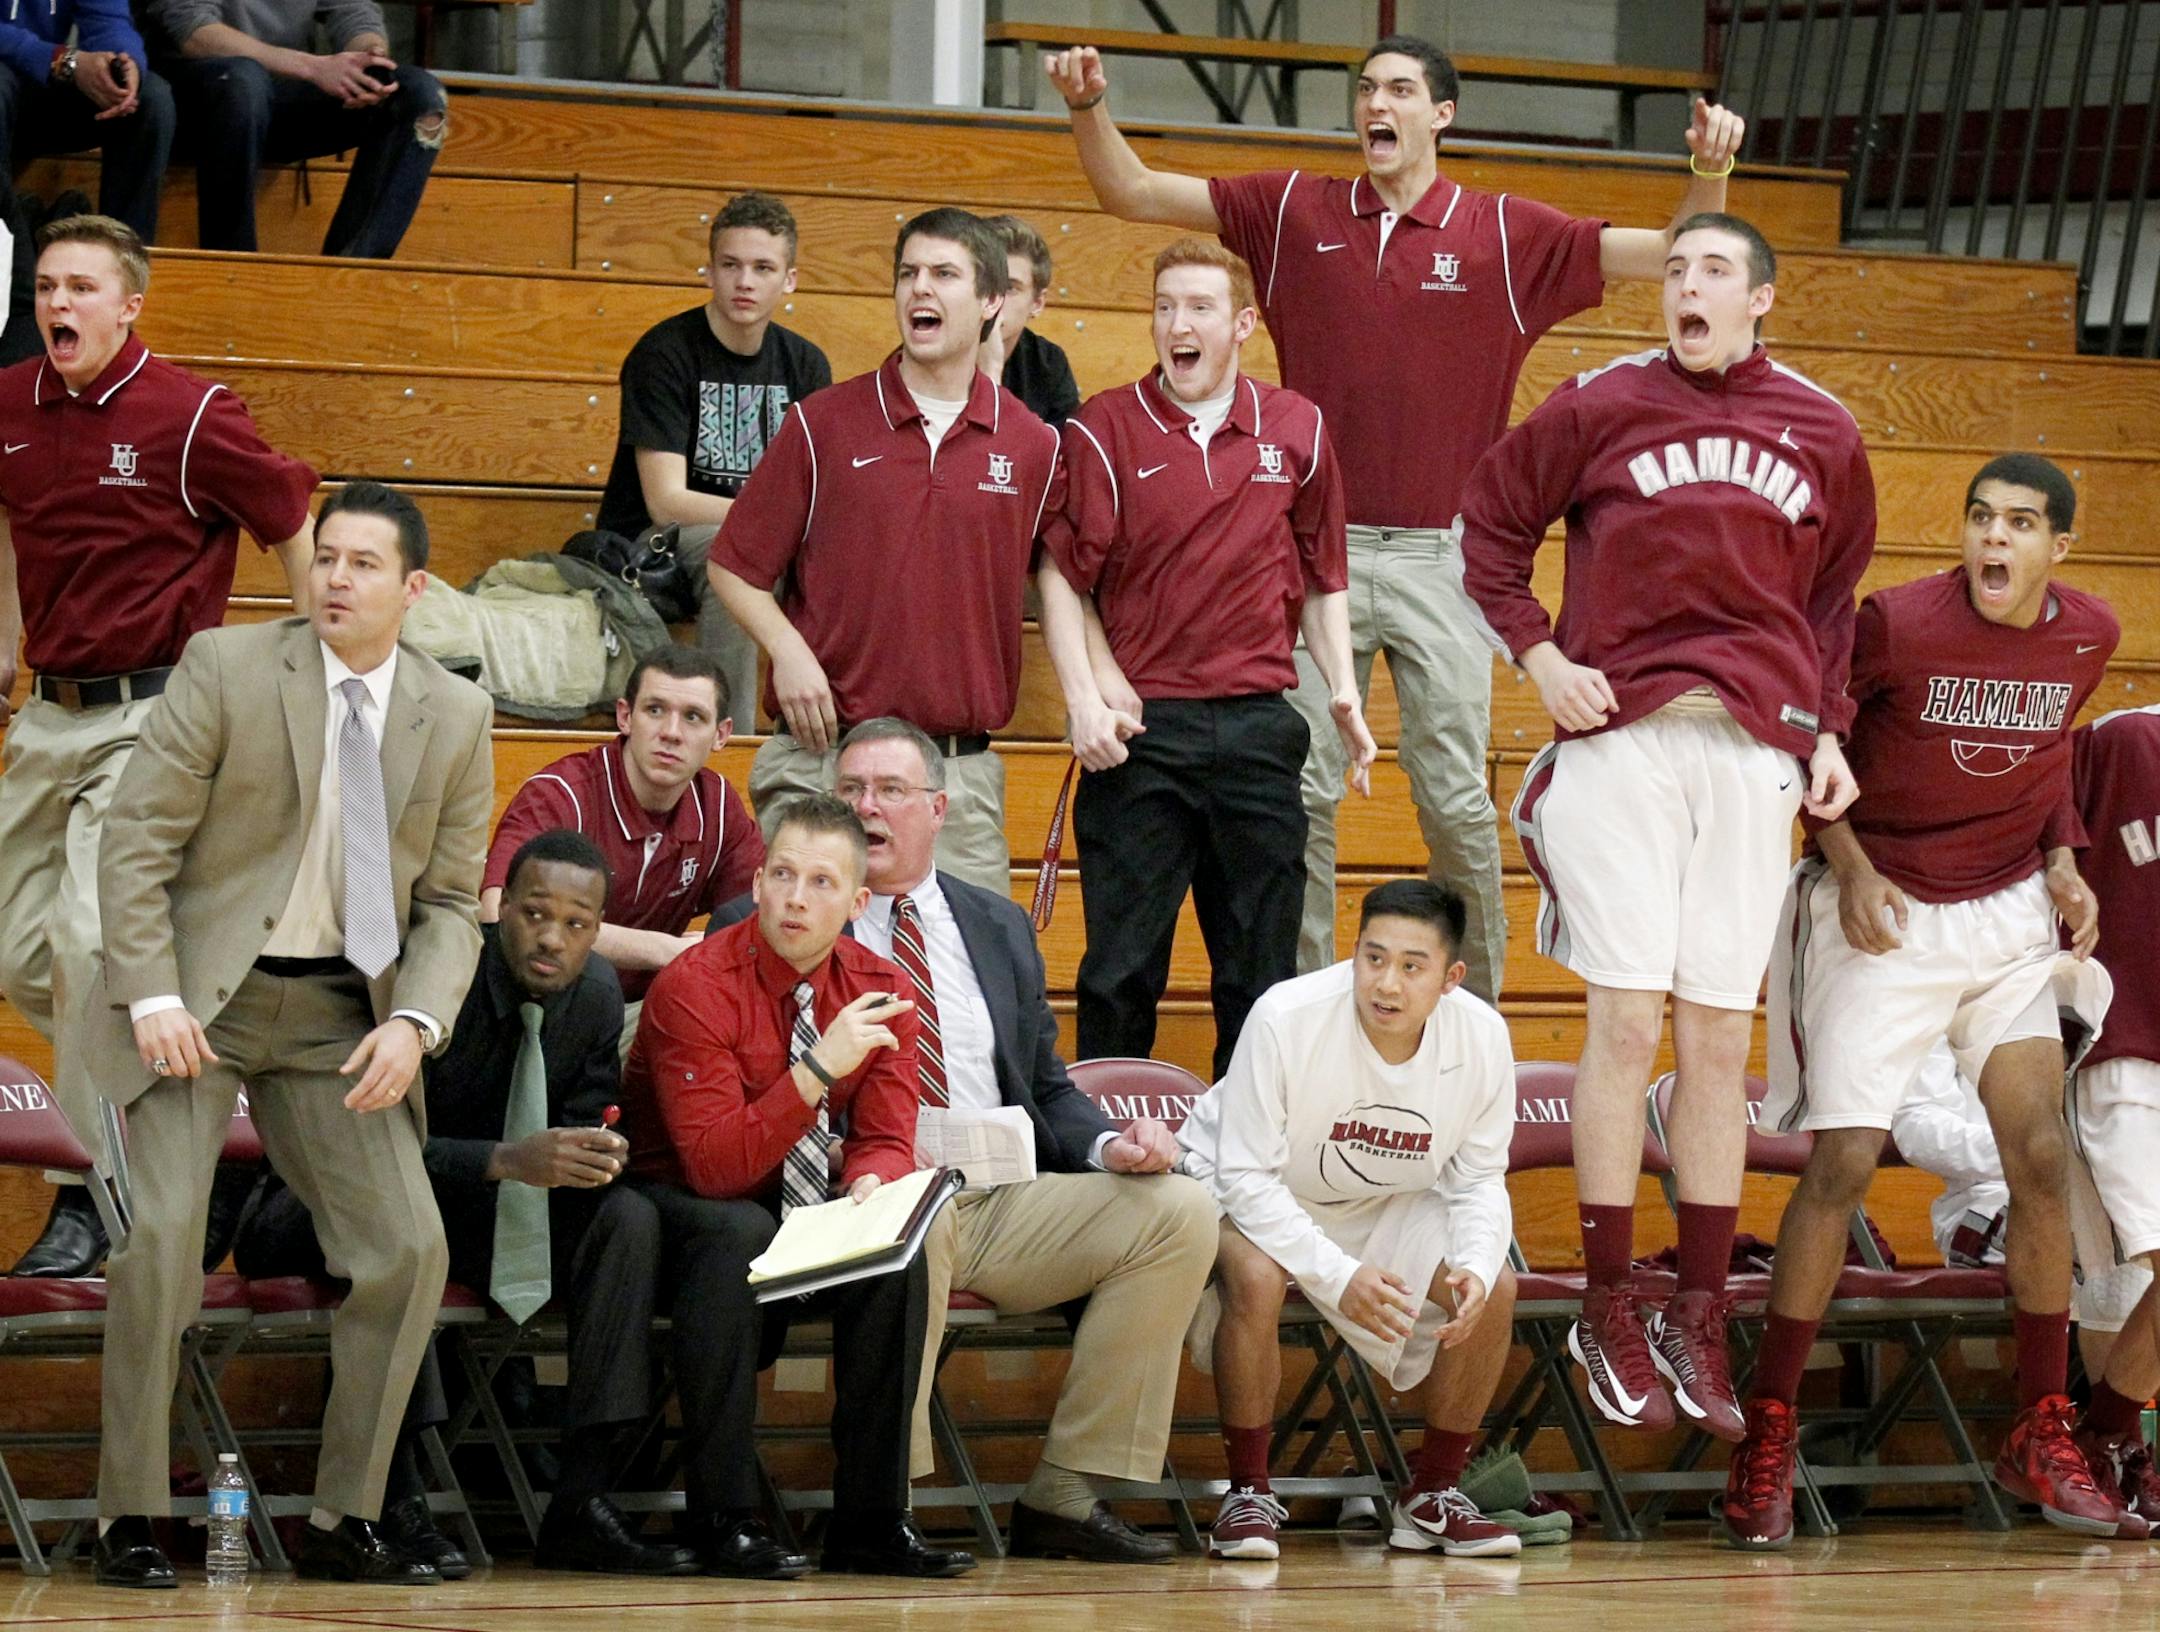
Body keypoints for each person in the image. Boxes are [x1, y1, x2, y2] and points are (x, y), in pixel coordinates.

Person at [1045, 35, 1746, 1002]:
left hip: (1444, 560)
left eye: (1401, 89)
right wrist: (1088, 107)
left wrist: (1708, 171)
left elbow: (1676, 254)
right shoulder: (1293, 208)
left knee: (1456, 802)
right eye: (1367, 88)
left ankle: (1482, 1024)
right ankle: (1303, 1025)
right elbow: (1132, 192)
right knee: (1304, 800)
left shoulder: (1503, 231)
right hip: (1301, 559)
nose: (1378, 102)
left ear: (1441, 115)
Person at [1462, 212, 1875, 1448]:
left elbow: (1836, 600)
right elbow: (1486, 532)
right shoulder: (1596, 404)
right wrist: (1538, 655)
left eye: (1713, 275)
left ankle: (1698, 1302)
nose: (1687, 289)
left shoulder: (1824, 429)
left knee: (1712, 1039)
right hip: (1624, 740)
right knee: (1626, 1020)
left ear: (1762, 300)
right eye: (1677, 271)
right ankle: (1607, 1293)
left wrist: (1831, 732)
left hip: (1754, 750)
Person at [85, 481, 494, 1588]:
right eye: (325, 559)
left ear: (414, 589)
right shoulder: (227, 667)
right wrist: (152, 992)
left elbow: (453, 906)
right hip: (198, 1002)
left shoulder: (453, 715)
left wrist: (418, 1018)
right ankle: (128, 1514)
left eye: (364, 564)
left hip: (337, 1017)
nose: (336, 580)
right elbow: (134, 846)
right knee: (161, 1242)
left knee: (411, 1252)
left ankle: (343, 1517)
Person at [1725, 453, 2125, 1549]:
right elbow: (1813, 746)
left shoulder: (2090, 635)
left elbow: (2043, 765)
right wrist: (1847, 868)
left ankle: (2042, 1422)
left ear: (2058, 547)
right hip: (1881, 907)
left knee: (2040, 1154)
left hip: (2002, 919)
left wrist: (2065, 861)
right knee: (1843, 1164)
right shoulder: (1895, 624)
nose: (1995, 540)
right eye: (1981, 519)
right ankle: (1767, 1429)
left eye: (2021, 524)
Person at [233, 829, 702, 1578]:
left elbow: (581, 1123)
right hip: (319, 1203)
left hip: (475, 1210)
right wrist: (506, 1161)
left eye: (576, 924)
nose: (551, 938)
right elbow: (361, 1146)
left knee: (628, 1219)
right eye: (533, 915)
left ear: (596, 931)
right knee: (412, 1229)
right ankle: (392, 1497)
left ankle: (586, 1499)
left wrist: (594, 1157)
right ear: (499, 910)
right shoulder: (437, 984)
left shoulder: (596, 999)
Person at [817, 718, 1217, 1564]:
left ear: (937, 808)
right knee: (910, 1227)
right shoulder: (795, 914)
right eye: (850, 790)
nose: (866, 808)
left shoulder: (995, 925)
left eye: (889, 791)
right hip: (864, 1196)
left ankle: (1066, 1495)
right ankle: (880, 1503)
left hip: (998, 1194)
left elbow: (1044, 1087)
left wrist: (1114, 1148)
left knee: (1176, 1211)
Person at [0, 213, 317, 1278]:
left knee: (91, 948)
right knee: (18, 954)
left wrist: (323, 646)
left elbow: (288, 511)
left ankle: (99, 1194)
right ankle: (165, 1095)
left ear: (129, 304)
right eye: (47, 286)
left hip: (155, 712)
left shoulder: (189, 415)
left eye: (83, 288)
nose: (59, 305)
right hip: (49, 714)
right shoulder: (9, 404)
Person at [1037, 237, 1372, 1077]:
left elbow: (1325, 572)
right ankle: (1108, 1160)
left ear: (1243, 324)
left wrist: (1343, 690)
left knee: (1262, 976)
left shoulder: (1298, 427)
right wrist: (1086, 694)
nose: (1176, 325)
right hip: (1144, 733)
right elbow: (1060, 574)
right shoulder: (1103, 426)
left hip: (1262, 728)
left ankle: (1247, 1171)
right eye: (1164, 307)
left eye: (1198, 308)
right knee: (1120, 970)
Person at [619, 794, 974, 1579]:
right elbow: (714, 1165)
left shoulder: (880, 985)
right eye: (782, 874)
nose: (795, 899)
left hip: (800, 1203)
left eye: (820, 882)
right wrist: (818, 1068)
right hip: (676, 1208)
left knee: (895, 1250)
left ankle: (872, 1522)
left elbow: (884, 1135)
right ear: (758, 879)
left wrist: (872, 1185)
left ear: (857, 901)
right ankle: (726, 1517)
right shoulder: (697, 982)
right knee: (734, 1232)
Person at [707, 207, 1060, 895]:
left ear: (992, 301)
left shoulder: (1033, 444)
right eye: (908, 274)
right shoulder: (822, 423)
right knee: (800, 981)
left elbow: (1062, 583)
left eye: (944, 274)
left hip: (954, 777)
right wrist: (790, 651)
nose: (919, 289)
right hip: (824, 757)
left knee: (972, 988)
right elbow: (733, 565)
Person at [1177, 880, 1521, 1560]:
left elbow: (1479, 1176)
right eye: (1373, 957)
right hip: (1249, 1182)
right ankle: (1248, 1492)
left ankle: (1431, 1496)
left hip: (1382, 1198)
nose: (1386, 983)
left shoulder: (1483, 1036)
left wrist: (1478, 1262)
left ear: (1451, 977)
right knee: (1254, 1275)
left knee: (1494, 1285)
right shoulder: (1285, 1015)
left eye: (1411, 966)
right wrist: (1339, 1276)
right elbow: (1245, 1178)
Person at [595, 192, 832, 727]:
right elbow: (665, 501)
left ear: (789, 280)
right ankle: (730, 742)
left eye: (763, 268)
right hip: (660, 546)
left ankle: (841, 743)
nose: (745, 281)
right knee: (737, 559)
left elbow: (816, 489)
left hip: (764, 535)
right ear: (709, 272)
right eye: (731, 265)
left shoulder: (805, 363)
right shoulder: (664, 353)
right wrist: (774, 521)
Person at [482, 643, 763, 1044]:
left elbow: (758, 920)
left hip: (637, 1012)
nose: (671, 732)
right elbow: (494, 911)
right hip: (536, 1007)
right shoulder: (562, 795)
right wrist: (668, 950)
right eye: (655, 710)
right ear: (625, 716)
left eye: (693, 717)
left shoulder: (717, 805)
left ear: (721, 735)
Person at [2062, 702, 2160, 1528]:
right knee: (2121, 1285)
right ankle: (2107, 1440)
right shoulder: (2125, 740)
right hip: (2122, 1048)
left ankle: (2108, 1443)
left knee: (2133, 1292)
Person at [140, 0, 446, 258]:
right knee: (242, 81)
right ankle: (232, 264)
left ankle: (352, 270)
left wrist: (368, 58)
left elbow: (354, 11)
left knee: (418, 94)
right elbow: (191, 29)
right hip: (193, 98)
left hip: (280, 93)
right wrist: (312, 67)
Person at [0, 0, 174, 242]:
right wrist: (62, 59)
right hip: (17, 78)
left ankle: (124, 259)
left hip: (43, 84)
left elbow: (108, 20)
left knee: (149, 99)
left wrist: (122, 63)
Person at [980, 214, 1079, 427]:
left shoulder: (1048, 364)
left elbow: (1058, 455)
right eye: (985, 281)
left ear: (1037, 303)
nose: (993, 299)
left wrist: (991, 374)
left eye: (1010, 288)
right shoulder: (929, 353)